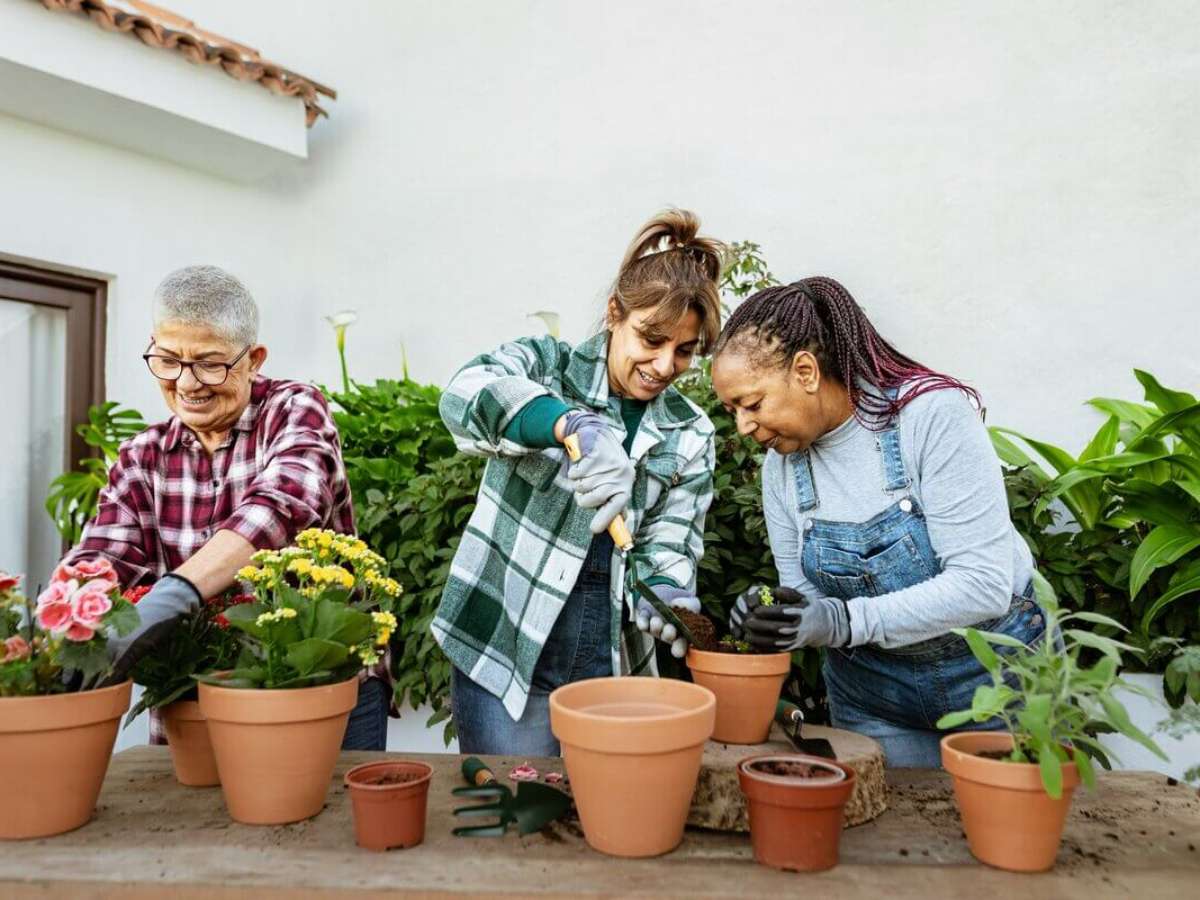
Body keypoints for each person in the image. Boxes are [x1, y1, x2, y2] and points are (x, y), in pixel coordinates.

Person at [710, 276, 1043, 767]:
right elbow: (810, 600)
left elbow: (982, 585)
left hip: (994, 683)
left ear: (805, 371)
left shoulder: (930, 418)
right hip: (874, 699)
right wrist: (776, 614)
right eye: (732, 409)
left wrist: (843, 620)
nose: (742, 425)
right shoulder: (779, 468)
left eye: (752, 403)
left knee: (1005, 839)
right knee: (885, 836)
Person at [58, 265, 389, 750]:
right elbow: (103, 556)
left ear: (253, 359)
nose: (187, 383)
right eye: (168, 360)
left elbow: (282, 507)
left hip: (320, 686)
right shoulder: (141, 457)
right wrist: (61, 622)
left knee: (331, 821)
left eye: (210, 363)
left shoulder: (294, 410)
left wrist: (171, 597)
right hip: (192, 698)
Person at [433, 210, 725, 754]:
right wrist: (569, 423)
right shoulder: (546, 368)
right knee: (518, 820)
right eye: (652, 338)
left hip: (613, 664)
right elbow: (463, 394)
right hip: (504, 648)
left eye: (684, 350)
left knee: (607, 818)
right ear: (615, 313)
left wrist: (665, 593)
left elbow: (670, 543)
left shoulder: (691, 432)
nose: (664, 365)